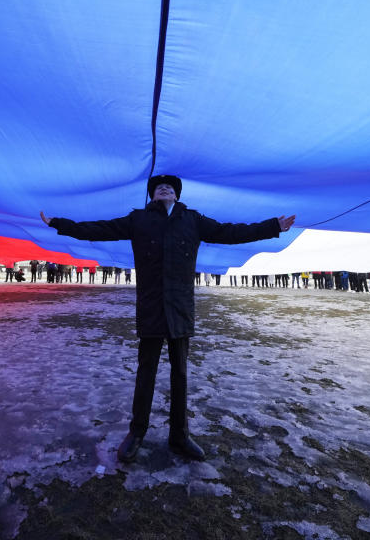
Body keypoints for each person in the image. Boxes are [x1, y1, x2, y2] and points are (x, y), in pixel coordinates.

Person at [40, 174, 294, 463]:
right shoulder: (138, 219)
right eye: (159, 187)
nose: (164, 188)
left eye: (170, 187)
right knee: (146, 371)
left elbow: (230, 232)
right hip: (150, 306)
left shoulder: (193, 220)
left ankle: (180, 436)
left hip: (180, 307)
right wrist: (60, 223)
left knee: (180, 374)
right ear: (152, 195)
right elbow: (99, 229)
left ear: (177, 195)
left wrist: (272, 226)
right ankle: (136, 433)